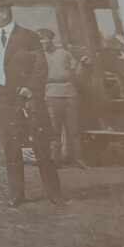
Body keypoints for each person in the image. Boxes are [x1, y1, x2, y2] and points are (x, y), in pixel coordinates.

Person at [0, 0, 63, 206]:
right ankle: (17, 195)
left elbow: (40, 66)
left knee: (40, 144)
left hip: (26, 97)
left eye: (0, 11)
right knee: (10, 145)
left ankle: (54, 194)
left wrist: (30, 88)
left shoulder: (28, 36)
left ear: (6, 12)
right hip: (0, 98)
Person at [38, 28, 87, 168]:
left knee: (74, 129)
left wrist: (83, 64)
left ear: (51, 39)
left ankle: (78, 159)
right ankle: (56, 160)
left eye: (45, 39)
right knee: (54, 129)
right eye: (40, 40)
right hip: (51, 95)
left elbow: (77, 71)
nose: (43, 42)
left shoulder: (64, 53)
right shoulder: (39, 57)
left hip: (70, 94)